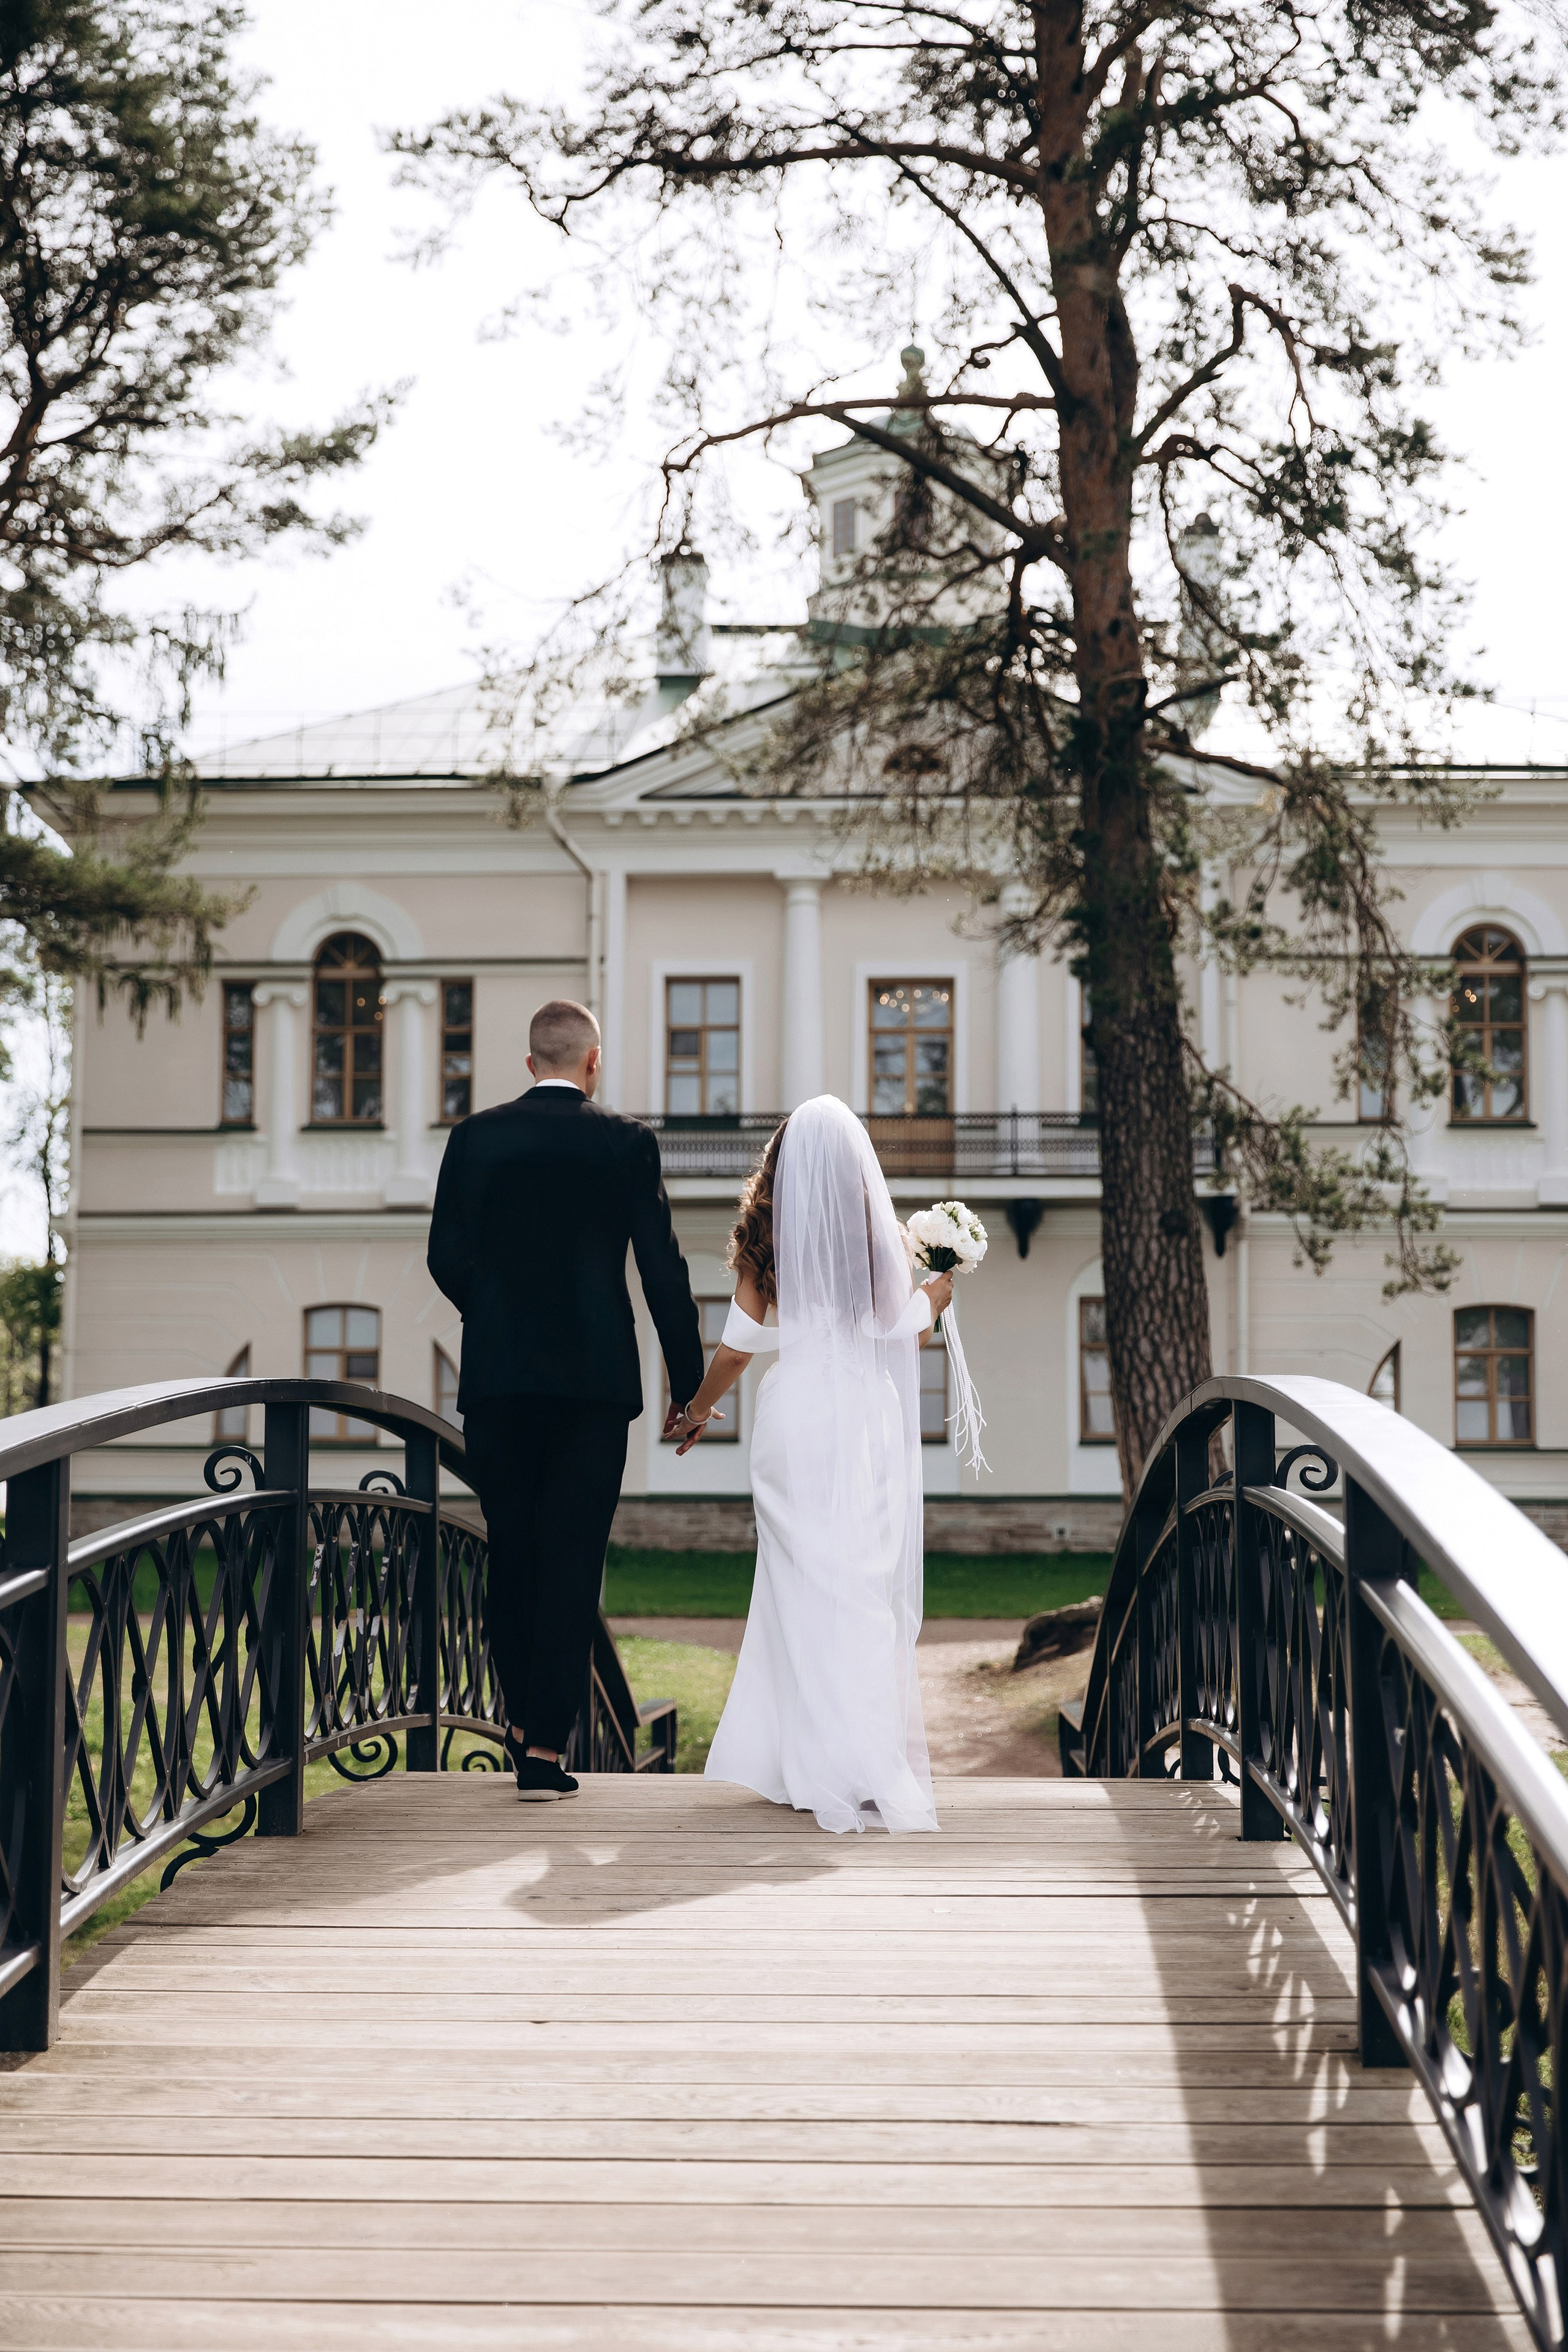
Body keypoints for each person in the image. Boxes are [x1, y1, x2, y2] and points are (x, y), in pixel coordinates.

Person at [427, 998, 704, 1800]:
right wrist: (688, 1390)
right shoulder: (625, 1143)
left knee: (511, 1552)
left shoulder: (474, 1138)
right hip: (593, 1387)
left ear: (528, 1063)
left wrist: (500, 1314)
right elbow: (662, 1272)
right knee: (573, 1560)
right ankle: (545, 1745)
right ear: (594, 1061)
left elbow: (446, 1255)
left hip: (501, 1381)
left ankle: (518, 1717)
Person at [671, 1094, 951, 1834]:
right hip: (861, 1414)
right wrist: (936, 1299)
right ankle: (856, 1761)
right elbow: (899, 1335)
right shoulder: (877, 1236)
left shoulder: (765, 1235)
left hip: (796, 1415)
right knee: (859, 1581)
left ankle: (804, 1763)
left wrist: (696, 1411)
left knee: (798, 1580)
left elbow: (734, 1348)